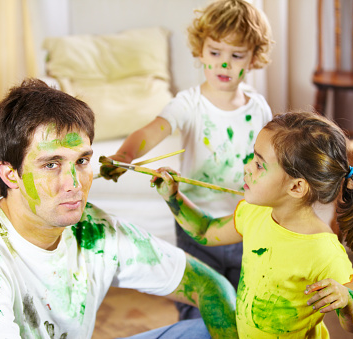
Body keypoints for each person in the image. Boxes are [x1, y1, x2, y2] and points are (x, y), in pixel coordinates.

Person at [0, 78, 238, 339]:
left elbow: (210, 286)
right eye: (52, 164)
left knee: (204, 330)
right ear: (10, 174)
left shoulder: (93, 230)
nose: (74, 183)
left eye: (82, 161)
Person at [100, 0, 273, 320]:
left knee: (244, 310)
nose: (224, 64)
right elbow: (153, 130)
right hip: (194, 224)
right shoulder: (188, 104)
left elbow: (270, 162)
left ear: (253, 57)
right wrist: (125, 155)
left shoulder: (259, 108)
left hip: (244, 226)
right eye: (215, 53)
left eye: (236, 56)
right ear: (200, 51)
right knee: (202, 310)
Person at [151, 111, 353, 337]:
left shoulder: (323, 251)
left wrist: (346, 300)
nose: (247, 167)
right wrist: (173, 198)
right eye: (253, 158)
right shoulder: (255, 213)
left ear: (296, 187)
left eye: (259, 165)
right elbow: (205, 230)